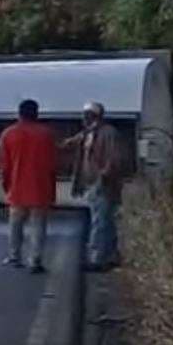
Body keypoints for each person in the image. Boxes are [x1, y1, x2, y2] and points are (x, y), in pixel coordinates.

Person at [0, 99, 57, 274]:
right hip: (40, 188)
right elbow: (52, 164)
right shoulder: (46, 135)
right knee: (38, 227)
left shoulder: (8, 134)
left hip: (17, 189)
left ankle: (14, 256)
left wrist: (6, 185)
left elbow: (4, 165)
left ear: (19, 113)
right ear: (37, 113)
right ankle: (35, 260)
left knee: (15, 225)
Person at [66, 101, 126, 272]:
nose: (84, 117)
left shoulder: (108, 133)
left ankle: (96, 258)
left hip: (102, 184)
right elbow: (70, 143)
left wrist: (103, 176)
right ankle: (111, 255)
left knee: (99, 222)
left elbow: (114, 159)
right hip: (92, 183)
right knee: (106, 221)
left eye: (87, 114)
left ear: (96, 116)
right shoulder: (88, 133)